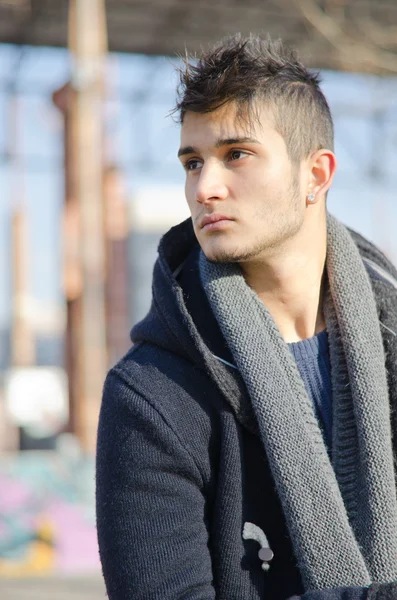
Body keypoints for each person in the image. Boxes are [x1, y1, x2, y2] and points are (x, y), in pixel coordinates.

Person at [96, 34, 397, 600]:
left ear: (317, 174)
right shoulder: (151, 394)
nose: (205, 188)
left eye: (236, 154)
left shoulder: (391, 341)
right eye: (192, 162)